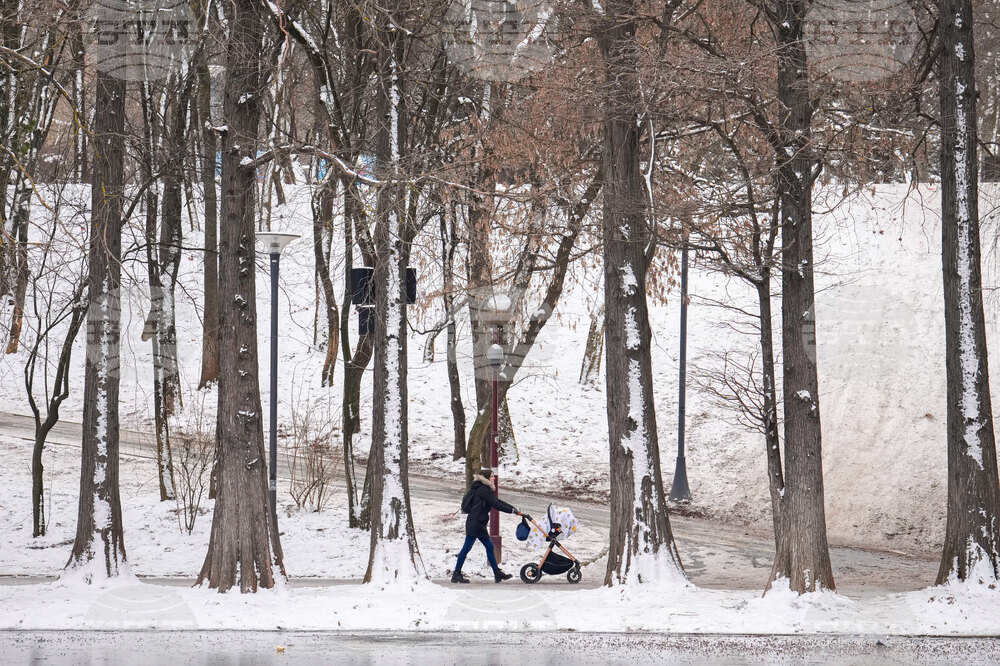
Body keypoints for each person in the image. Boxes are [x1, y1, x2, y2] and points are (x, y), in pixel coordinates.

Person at [452, 469, 520, 583]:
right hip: (476, 524)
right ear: (486, 478)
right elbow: (496, 504)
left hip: (476, 523)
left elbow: (497, 501)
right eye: (492, 476)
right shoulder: (483, 489)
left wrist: (513, 509)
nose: (494, 478)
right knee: (468, 548)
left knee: (488, 547)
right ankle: (457, 573)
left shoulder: (481, 488)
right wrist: (512, 510)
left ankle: (497, 573)